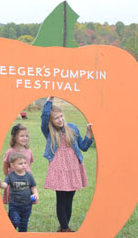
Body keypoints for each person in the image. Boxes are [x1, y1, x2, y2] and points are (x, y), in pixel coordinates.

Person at [41, 96, 93, 233]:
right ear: (51, 121)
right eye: (56, 118)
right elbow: (45, 115)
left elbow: (84, 147)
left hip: (73, 168)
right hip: (59, 168)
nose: (60, 120)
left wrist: (89, 133)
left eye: (61, 116)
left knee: (69, 199)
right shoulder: (49, 132)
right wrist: (50, 100)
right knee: (61, 199)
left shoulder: (72, 127)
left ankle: (64, 227)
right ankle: (65, 229)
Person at [0, 152, 39, 232]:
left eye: (25, 163)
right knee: (15, 222)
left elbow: (33, 187)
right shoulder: (10, 176)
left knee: (23, 225)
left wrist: (36, 194)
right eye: (20, 163)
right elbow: (4, 186)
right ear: (12, 165)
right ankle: (10, 233)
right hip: (14, 205)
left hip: (27, 205)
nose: (24, 165)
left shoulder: (29, 176)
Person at [2, 124, 34, 206]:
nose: (25, 138)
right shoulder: (10, 152)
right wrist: (10, 178)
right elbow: (5, 167)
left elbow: (29, 166)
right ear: (14, 137)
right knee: (14, 206)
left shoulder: (29, 151)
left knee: (26, 204)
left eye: (26, 136)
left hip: (26, 183)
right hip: (14, 184)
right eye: (22, 136)